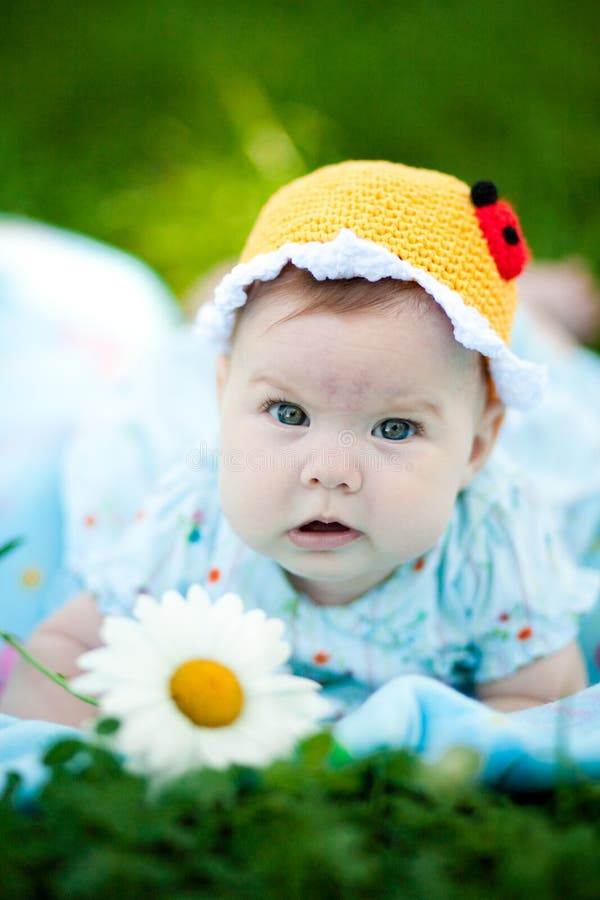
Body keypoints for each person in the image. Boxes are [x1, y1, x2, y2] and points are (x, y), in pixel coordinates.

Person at [1, 160, 598, 727]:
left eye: (394, 429)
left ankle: (537, 310)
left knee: (555, 387)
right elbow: (68, 643)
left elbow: (540, 704)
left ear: (475, 449)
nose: (330, 472)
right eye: (288, 413)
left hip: (504, 409)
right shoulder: (193, 524)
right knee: (189, 348)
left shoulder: (493, 547)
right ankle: (214, 287)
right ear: (224, 397)